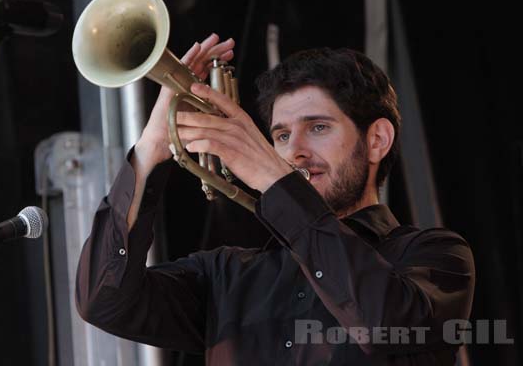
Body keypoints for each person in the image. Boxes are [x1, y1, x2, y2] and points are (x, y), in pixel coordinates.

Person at [75, 33, 475, 365]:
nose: (295, 151)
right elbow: (103, 300)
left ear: (377, 140)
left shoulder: (436, 256)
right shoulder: (224, 275)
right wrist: (150, 151)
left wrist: (275, 178)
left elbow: (380, 322)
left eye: (317, 127)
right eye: (281, 136)